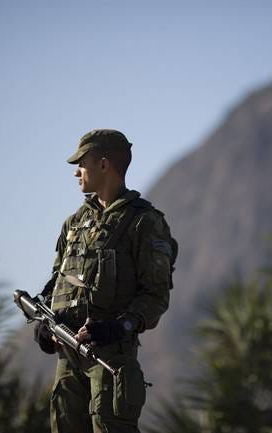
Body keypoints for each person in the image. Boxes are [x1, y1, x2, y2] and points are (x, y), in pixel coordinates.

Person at [34, 129, 178, 433]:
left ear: (103, 165)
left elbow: (155, 295)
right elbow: (56, 281)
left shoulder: (144, 222)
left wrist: (119, 326)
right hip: (68, 357)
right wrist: (45, 326)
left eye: (82, 163)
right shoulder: (74, 223)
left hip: (109, 358)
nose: (76, 172)